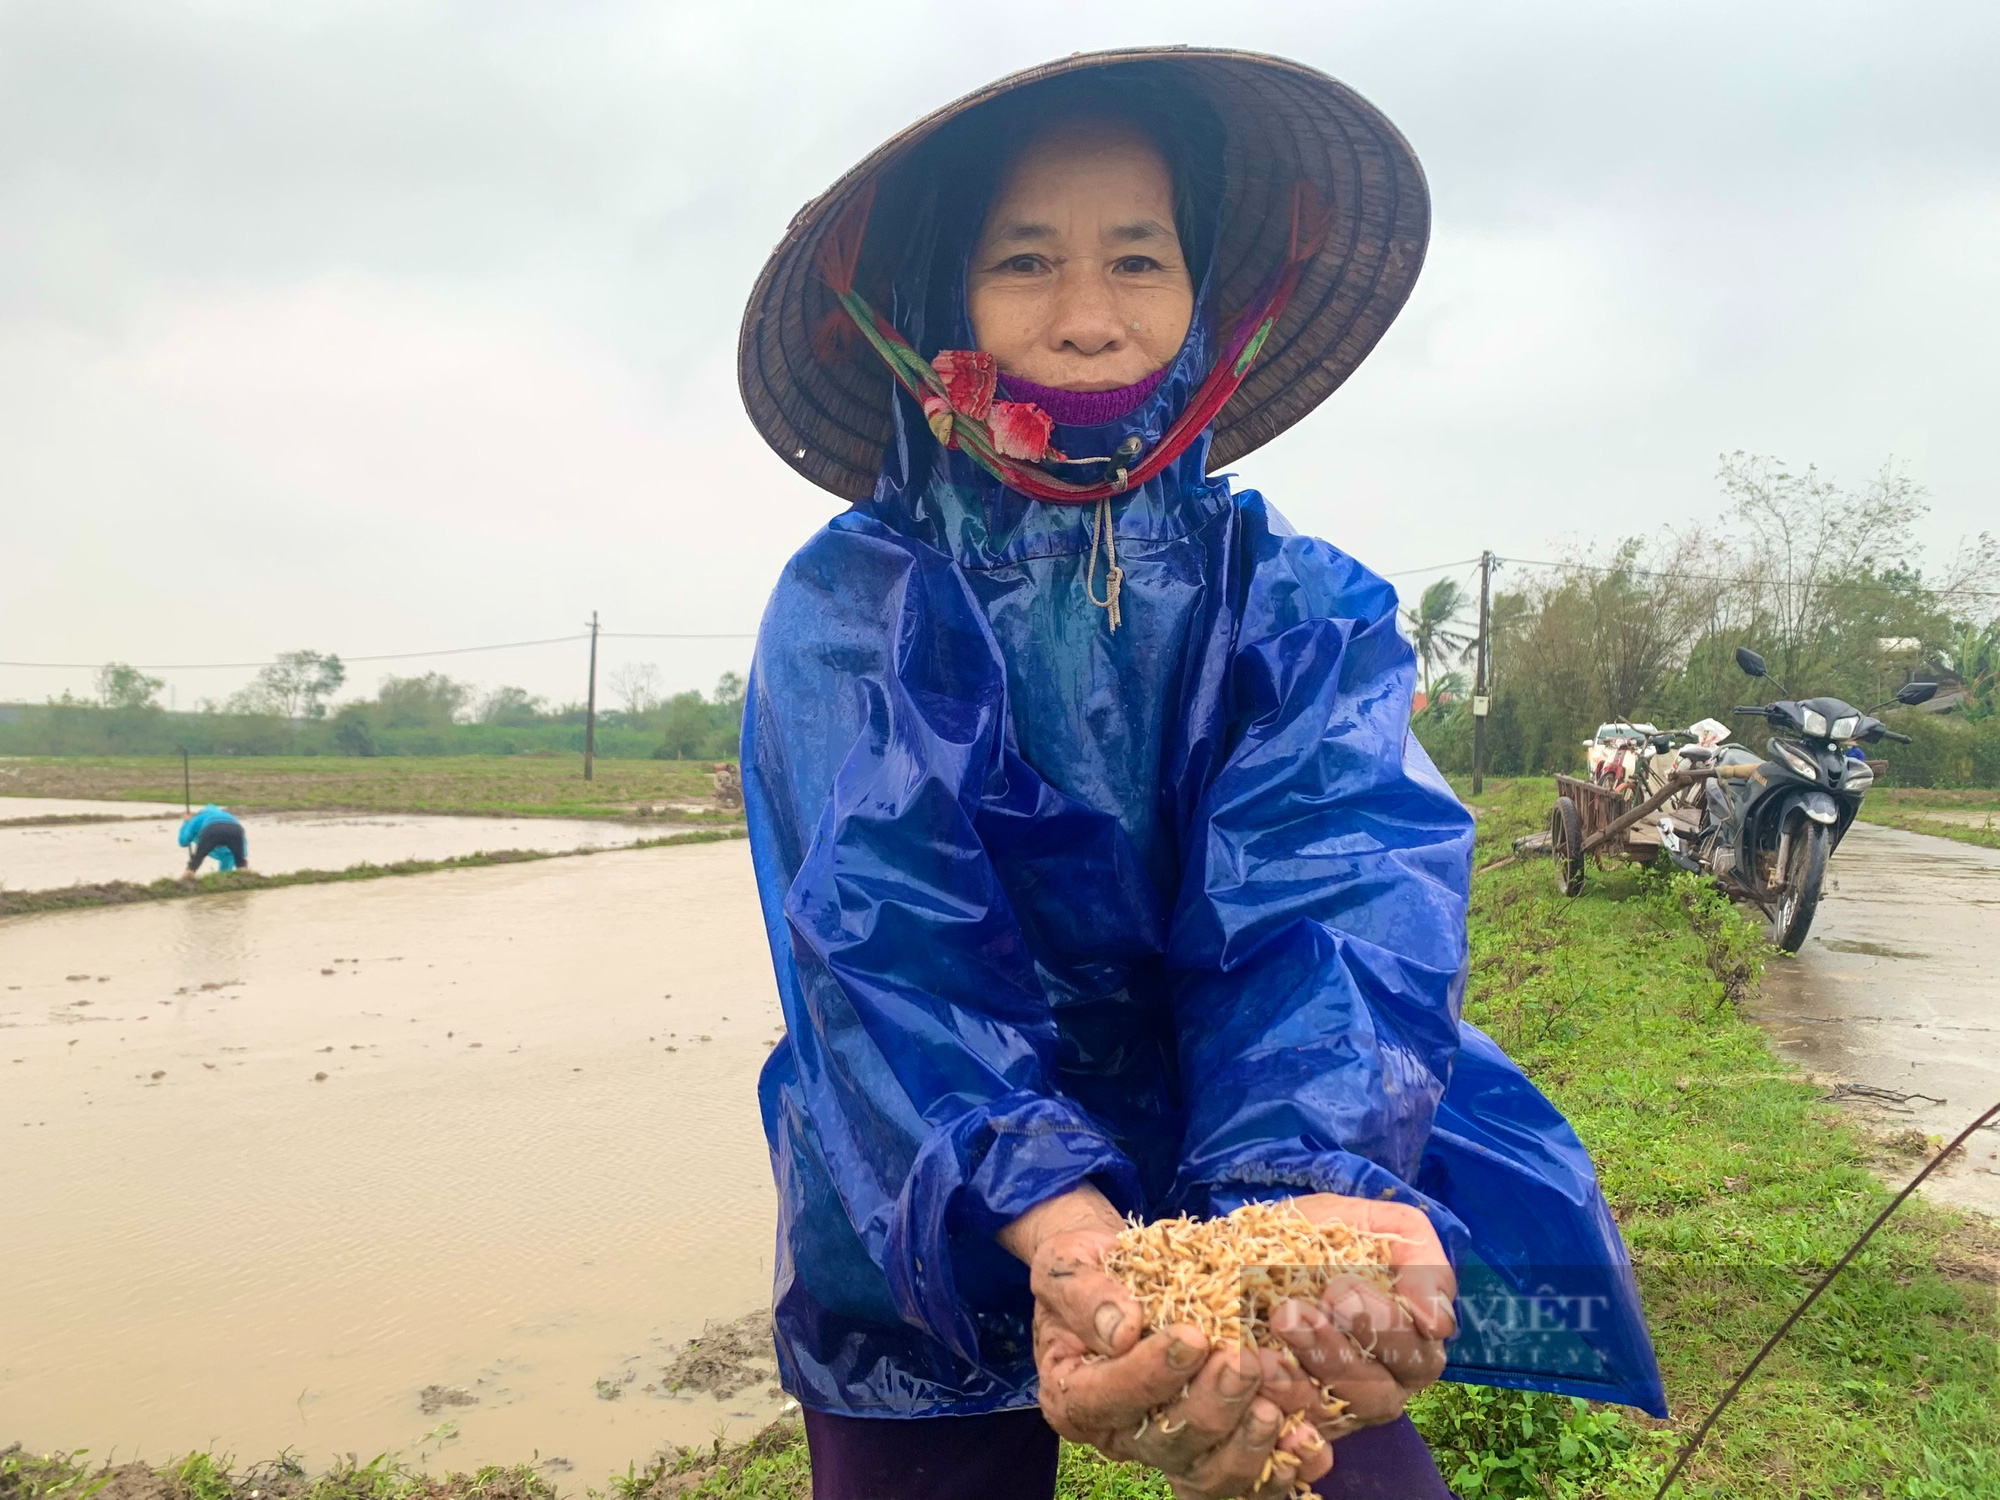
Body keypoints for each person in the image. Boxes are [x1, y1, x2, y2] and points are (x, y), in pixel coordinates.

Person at [734, 49, 1664, 1500]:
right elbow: (886, 947)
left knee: (1337, 1463)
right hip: (923, 1172)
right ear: (935, 310)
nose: (1090, 318)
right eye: (1025, 260)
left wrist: (1298, 1200)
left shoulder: (1297, 599)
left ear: (1207, 296)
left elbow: (1333, 886)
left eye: (1138, 260)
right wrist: (1055, 1221)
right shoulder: (853, 606)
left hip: (1246, 1120)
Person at [177, 802, 247, 878]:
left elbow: (183, 842)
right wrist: (241, 859)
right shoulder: (228, 815)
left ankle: (185, 882)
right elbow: (243, 848)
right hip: (235, 830)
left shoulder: (196, 818)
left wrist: (186, 821)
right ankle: (244, 880)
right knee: (240, 864)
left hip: (211, 830)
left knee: (195, 862)